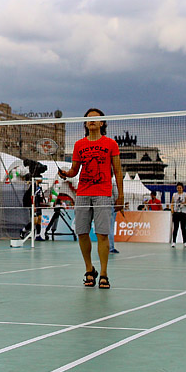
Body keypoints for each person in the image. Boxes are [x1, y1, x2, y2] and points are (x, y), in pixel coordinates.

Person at [58, 108, 124, 290]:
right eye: (89, 119)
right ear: (85, 123)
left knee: (103, 234)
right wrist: (66, 174)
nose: (92, 121)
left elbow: (118, 171)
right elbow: (74, 171)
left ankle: (104, 273)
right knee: (82, 232)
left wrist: (121, 196)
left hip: (103, 193)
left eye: (96, 119)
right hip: (83, 193)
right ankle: (89, 268)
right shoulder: (79, 145)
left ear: (102, 123)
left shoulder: (111, 144)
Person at [170, 182, 186, 248]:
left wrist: (183, 203)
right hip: (176, 213)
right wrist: (172, 209)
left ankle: (185, 242)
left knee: (183, 227)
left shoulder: (185, 194)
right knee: (175, 227)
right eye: (178, 188)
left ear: (182, 188)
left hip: (183, 213)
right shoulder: (174, 195)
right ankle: (174, 242)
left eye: (180, 188)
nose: (179, 189)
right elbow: (172, 203)